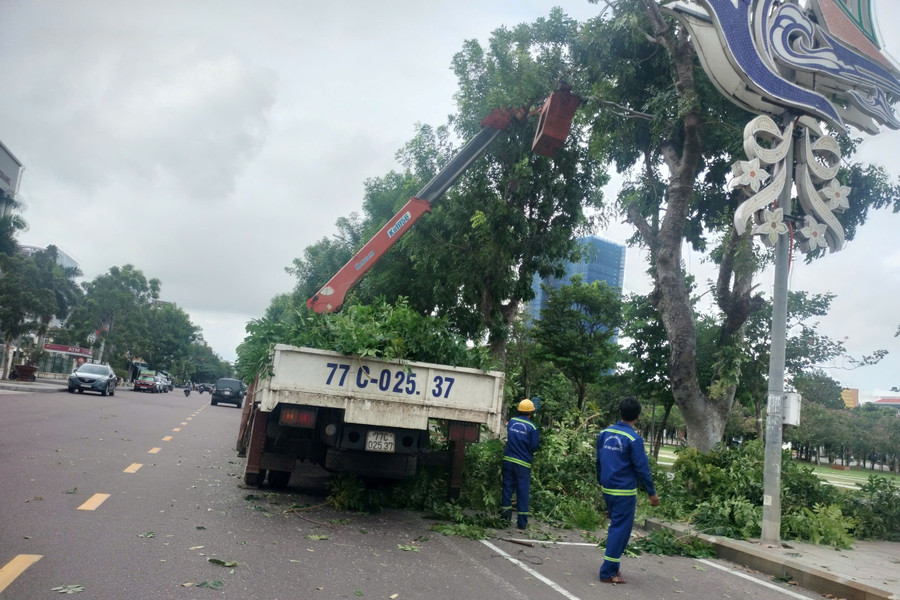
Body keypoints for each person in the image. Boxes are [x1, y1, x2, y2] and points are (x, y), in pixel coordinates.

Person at [596, 396, 660, 584]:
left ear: (620, 413)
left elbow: (598, 461)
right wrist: (652, 492)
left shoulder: (604, 434)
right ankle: (607, 572)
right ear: (637, 416)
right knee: (620, 529)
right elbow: (642, 468)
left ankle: (613, 567)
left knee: (619, 528)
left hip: (607, 488)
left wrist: (601, 481)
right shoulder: (634, 439)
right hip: (623, 492)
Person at [500, 399, 540, 531]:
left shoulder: (511, 422)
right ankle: (522, 523)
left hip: (508, 460)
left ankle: (505, 519)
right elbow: (534, 446)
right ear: (531, 412)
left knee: (507, 489)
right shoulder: (533, 428)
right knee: (522, 493)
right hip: (522, 464)